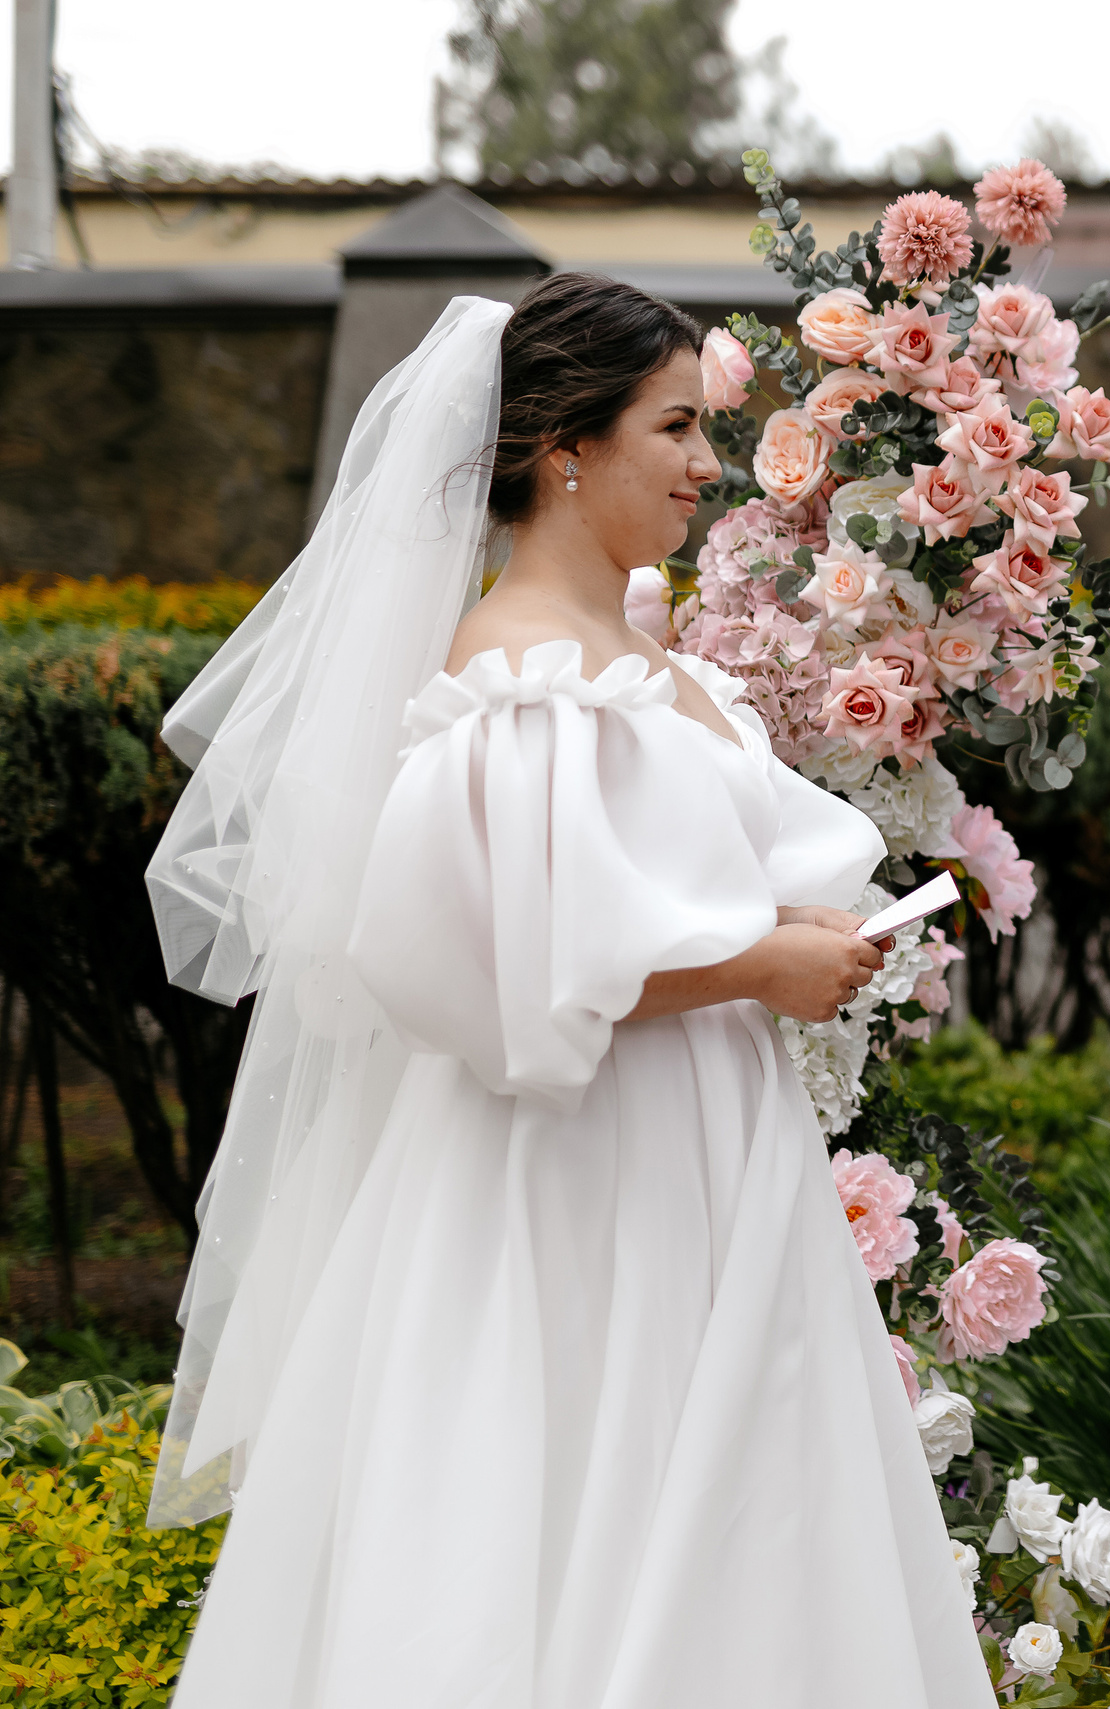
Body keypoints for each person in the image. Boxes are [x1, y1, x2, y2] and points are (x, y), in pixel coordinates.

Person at [144, 276, 994, 1706]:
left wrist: (776, 924)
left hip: (708, 1148)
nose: (708, 465)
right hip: (582, 1175)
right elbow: (505, 972)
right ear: (566, 448)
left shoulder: (630, 660)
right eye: (675, 428)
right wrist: (756, 964)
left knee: (733, 1503)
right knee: (579, 1484)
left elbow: (621, 893)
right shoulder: (521, 679)